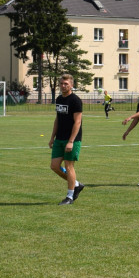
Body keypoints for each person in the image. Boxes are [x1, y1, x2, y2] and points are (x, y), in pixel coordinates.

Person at [49, 73, 86, 205]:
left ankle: (70, 196)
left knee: (69, 166)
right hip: (59, 138)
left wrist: (71, 141)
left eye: (66, 84)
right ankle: (76, 184)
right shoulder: (59, 99)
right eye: (61, 83)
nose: (63, 86)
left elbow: (77, 122)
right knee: (54, 166)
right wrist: (52, 137)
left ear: (71, 85)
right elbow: (57, 119)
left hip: (72, 139)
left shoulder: (75, 100)